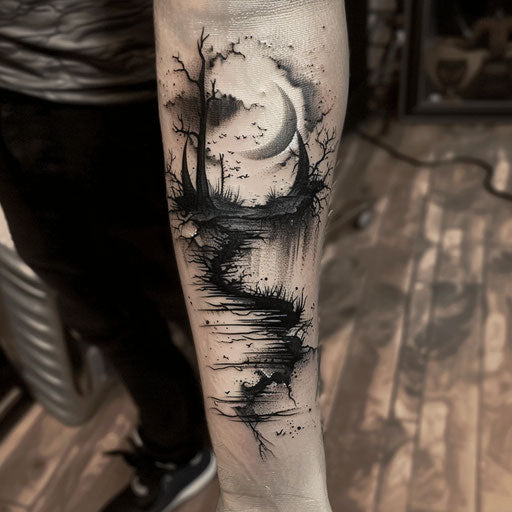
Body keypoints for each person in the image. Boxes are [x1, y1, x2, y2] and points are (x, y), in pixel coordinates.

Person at [0, 1, 348, 511]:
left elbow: (250, 12)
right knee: (92, 303)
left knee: (197, 296)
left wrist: (269, 490)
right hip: (11, 97)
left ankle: (261, 409)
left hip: (137, 99)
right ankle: (176, 444)